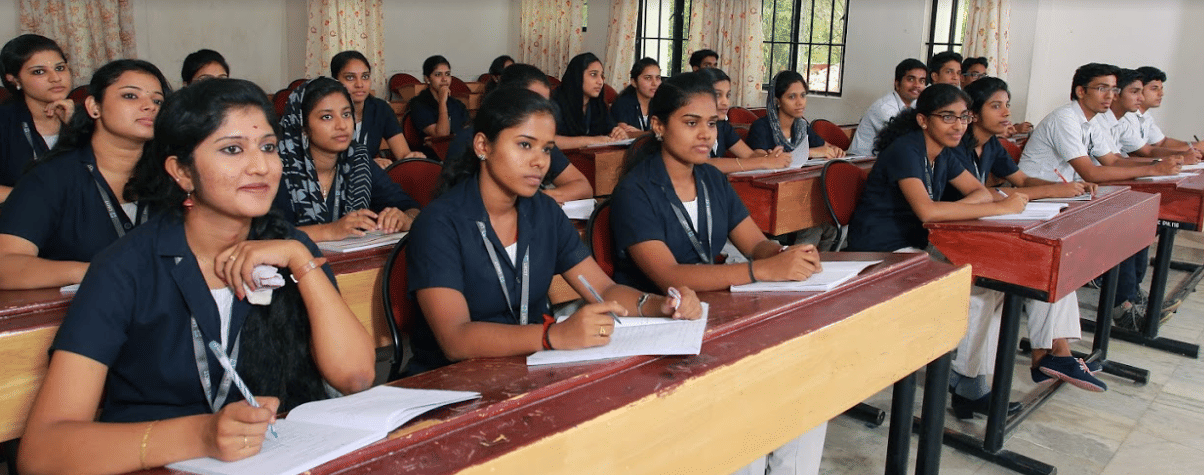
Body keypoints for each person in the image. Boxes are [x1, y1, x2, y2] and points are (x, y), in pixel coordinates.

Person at [16, 78, 375, 474]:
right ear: (182, 172)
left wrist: (299, 260)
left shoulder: (288, 246)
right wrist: (201, 435)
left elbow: (356, 377)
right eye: (232, 149)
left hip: (281, 459)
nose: (261, 166)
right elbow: (42, 452)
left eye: (268, 147)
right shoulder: (127, 267)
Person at [609, 70, 826, 475]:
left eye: (711, 124)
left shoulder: (711, 178)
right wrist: (763, 270)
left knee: (807, 393)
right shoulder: (636, 190)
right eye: (691, 123)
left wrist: (784, 253)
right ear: (658, 126)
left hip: (716, 314)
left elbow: (755, 242)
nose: (705, 134)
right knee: (744, 411)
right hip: (661, 325)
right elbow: (669, 275)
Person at [405, 87, 702, 375]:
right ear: (483, 146)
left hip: (529, 368)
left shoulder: (544, 212)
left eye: (547, 149)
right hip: (454, 382)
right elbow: (455, 339)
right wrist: (553, 335)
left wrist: (658, 304)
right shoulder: (438, 224)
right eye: (525, 145)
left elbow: (603, 289)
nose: (540, 161)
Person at [946, 77, 1103, 417]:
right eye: (996, 106)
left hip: (979, 232)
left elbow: (1021, 182)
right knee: (993, 289)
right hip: (949, 239)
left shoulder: (991, 145)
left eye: (1007, 105)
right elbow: (984, 196)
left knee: (1052, 261)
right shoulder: (954, 147)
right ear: (973, 114)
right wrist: (1050, 191)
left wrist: (1067, 188)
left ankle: (1054, 352)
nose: (1006, 113)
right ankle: (972, 380)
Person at [0, 59, 169, 290]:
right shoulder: (52, 177)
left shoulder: (174, 175)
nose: (150, 106)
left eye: (158, 100)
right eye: (130, 96)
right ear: (93, 107)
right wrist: (98, 271)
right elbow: (5, 265)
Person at [272, 77, 421, 242]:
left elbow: (410, 207)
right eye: (327, 117)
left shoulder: (357, 159)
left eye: (346, 114)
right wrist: (328, 231)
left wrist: (405, 219)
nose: (342, 125)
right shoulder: (277, 166)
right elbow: (261, 234)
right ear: (303, 126)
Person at [448, 63, 593, 203]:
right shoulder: (469, 139)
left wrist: (541, 201)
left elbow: (582, 186)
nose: (541, 110)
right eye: (524, 145)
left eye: (545, 103)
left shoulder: (539, 142)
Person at [0, 34, 75, 201]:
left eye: (60, 68)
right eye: (39, 72)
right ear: (14, 80)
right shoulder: (4, 121)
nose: (56, 78)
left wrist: (75, 127)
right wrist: (38, 197)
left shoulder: (89, 116)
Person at [330, 50, 424, 164]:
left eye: (365, 76)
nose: (359, 84)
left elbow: (403, 154)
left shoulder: (380, 109)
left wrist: (411, 157)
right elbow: (322, 162)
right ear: (335, 81)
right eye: (350, 77)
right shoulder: (325, 111)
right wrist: (367, 164)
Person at [694, 67, 789, 173]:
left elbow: (749, 155)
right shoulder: (691, 128)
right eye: (717, 95)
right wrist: (763, 162)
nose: (725, 102)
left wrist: (770, 158)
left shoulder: (722, 125)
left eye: (728, 95)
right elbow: (704, 163)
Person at [746, 70, 843, 159]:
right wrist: (808, 153)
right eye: (792, 97)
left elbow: (826, 147)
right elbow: (760, 159)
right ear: (777, 100)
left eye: (803, 95)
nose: (800, 102)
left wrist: (835, 150)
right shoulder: (761, 127)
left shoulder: (802, 126)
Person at [847, 58, 926, 156]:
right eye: (910, 79)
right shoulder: (884, 108)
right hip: (861, 161)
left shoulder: (916, 104)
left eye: (922, 81)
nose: (917, 85)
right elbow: (905, 142)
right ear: (897, 84)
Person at [549, 52, 626, 149]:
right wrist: (591, 140)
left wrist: (618, 133)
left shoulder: (598, 104)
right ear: (577, 76)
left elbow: (609, 129)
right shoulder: (555, 103)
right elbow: (547, 140)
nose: (600, 81)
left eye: (602, 76)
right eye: (593, 74)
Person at [1125, 66, 1204, 159]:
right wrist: (1194, 148)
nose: (1161, 93)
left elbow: (1162, 142)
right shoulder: (1127, 116)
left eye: (1161, 88)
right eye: (1154, 89)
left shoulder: (1146, 115)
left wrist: (1194, 145)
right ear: (1139, 89)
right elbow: (1146, 152)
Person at [407, 55, 469, 146]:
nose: (444, 79)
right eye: (438, 74)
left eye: (447, 74)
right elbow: (442, 135)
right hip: (432, 153)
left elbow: (469, 132)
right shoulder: (418, 104)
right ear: (427, 79)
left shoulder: (457, 104)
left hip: (459, 149)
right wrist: (442, 102)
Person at [610, 57, 661, 134]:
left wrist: (639, 133)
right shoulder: (622, 103)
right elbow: (624, 134)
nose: (655, 83)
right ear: (634, 82)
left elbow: (666, 132)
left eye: (658, 78)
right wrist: (651, 134)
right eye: (648, 78)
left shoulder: (661, 103)